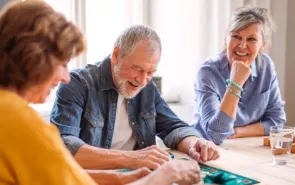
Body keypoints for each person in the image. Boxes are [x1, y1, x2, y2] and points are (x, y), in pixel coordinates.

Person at [0, 1, 202, 185]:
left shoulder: (8, 109)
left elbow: (61, 174)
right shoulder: (18, 119)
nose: (65, 76)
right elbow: (66, 158)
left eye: (149, 72)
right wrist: (164, 175)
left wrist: (121, 178)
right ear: (33, 59)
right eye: (61, 63)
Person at [50, 24, 220, 172]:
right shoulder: (76, 84)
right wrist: (132, 159)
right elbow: (65, 147)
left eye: (150, 72)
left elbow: (173, 127)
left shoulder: (147, 87)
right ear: (116, 54)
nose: (142, 80)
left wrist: (194, 144)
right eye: (137, 69)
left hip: (139, 176)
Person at [193, 7, 286, 145]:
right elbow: (216, 135)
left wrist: (237, 132)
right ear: (226, 40)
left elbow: (277, 121)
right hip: (207, 149)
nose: (242, 46)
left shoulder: (266, 66)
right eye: (236, 36)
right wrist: (235, 83)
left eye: (252, 39)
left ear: (262, 46)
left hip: (245, 145)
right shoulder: (207, 72)